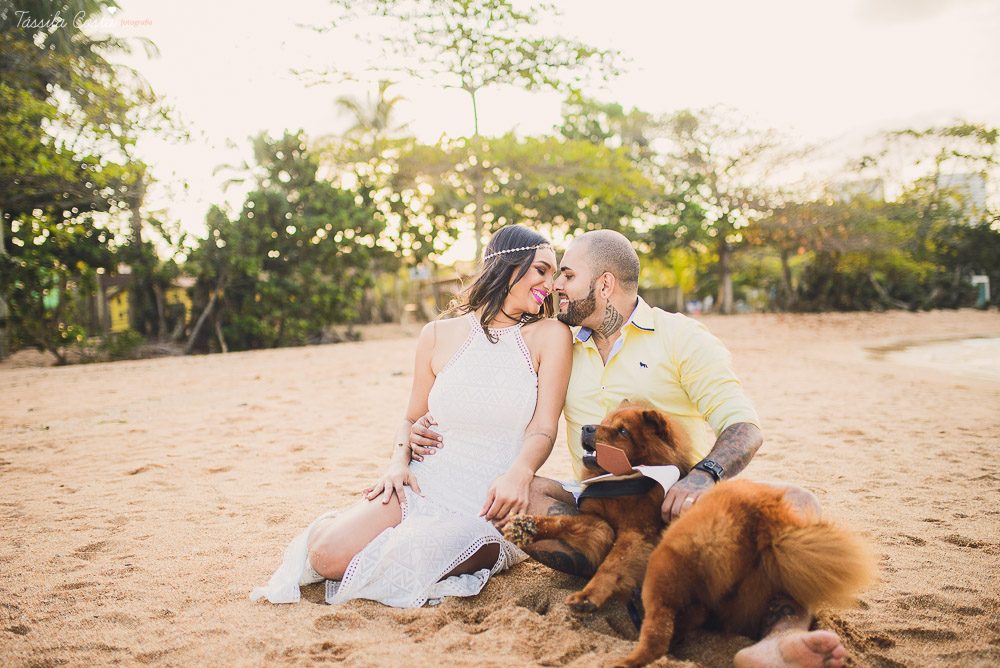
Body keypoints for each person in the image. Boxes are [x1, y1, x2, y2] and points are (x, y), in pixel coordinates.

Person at [410, 230, 852, 668]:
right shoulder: (561, 343)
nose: (557, 287)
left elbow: (744, 426)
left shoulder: (680, 336)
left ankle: (781, 640)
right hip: (602, 514)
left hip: (679, 510)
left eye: (567, 274)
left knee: (797, 503)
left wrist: (703, 476)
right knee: (524, 500)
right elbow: (493, 394)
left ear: (605, 284)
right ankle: (651, 585)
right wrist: (421, 427)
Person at [250, 224, 571, 608]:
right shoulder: (437, 334)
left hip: (492, 501)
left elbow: (544, 427)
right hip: (424, 481)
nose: (550, 284)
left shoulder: (550, 335)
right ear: (507, 266)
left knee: (406, 554)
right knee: (326, 554)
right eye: (542, 270)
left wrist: (519, 474)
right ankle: (349, 521)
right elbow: (411, 418)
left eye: (555, 273)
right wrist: (397, 463)